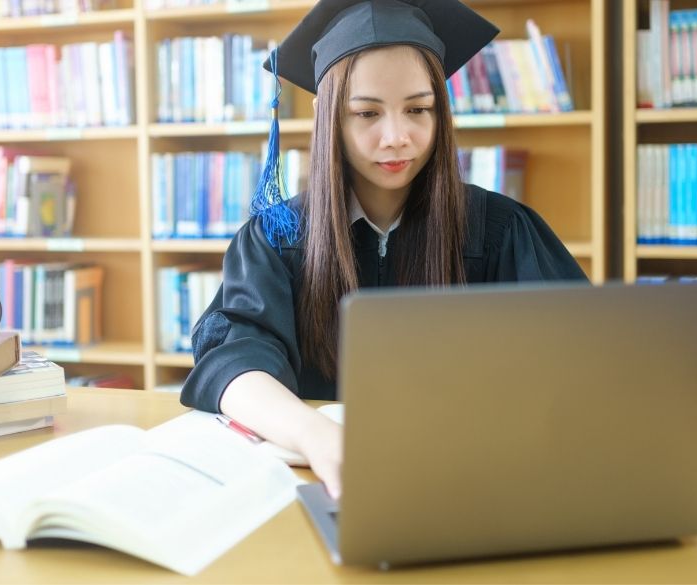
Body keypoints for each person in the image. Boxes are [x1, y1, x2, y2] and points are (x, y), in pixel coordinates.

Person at [180, 0, 587, 498]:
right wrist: (317, 437)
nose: (397, 137)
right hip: (321, 486)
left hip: (477, 485)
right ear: (327, 115)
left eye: (418, 109)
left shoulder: (498, 230)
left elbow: (577, 360)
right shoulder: (278, 237)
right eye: (367, 113)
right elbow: (237, 362)